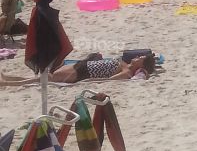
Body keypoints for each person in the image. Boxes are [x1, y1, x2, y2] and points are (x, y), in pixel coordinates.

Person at [4, 53, 157, 84]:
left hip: (84, 72)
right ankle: (11, 79)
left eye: (140, 58)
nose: (137, 57)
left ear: (141, 65)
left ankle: (11, 83)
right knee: (48, 75)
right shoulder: (124, 63)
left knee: (47, 78)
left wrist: (87, 80)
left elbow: (108, 80)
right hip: (83, 64)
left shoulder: (127, 72)